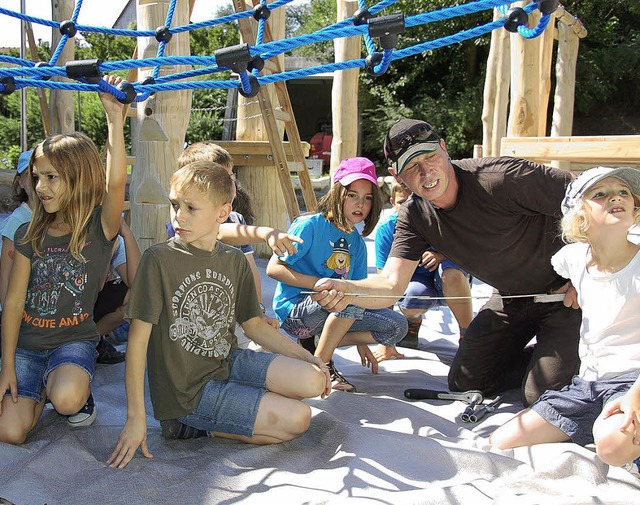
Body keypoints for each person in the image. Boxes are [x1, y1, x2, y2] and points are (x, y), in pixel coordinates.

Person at [313, 119, 581, 406]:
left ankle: (577, 359)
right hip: (510, 298)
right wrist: (347, 289)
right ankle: (548, 359)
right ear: (397, 175)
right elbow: (391, 284)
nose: (426, 171)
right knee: (464, 381)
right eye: (412, 166)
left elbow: (593, 199)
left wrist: (589, 273)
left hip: (567, 297)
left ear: (444, 148)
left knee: (541, 398)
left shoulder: (501, 178)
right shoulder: (414, 215)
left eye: (430, 157)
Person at [107, 161, 330, 469]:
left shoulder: (233, 260)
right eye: (174, 205)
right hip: (188, 394)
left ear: (222, 213)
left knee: (313, 380)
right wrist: (135, 418)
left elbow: (254, 326)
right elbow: (137, 342)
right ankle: (192, 425)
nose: (179, 216)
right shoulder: (158, 260)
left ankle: (244, 403)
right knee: (298, 419)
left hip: (228, 362)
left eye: (191, 208)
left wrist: (309, 358)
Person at [0, 74, 127, 444]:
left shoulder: (98, 229)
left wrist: (114, 121)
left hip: (72, 343)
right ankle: (36, 394)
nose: (40, 187)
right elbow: (12, 302)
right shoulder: (28, 234)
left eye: (51, 178)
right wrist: (7, 365)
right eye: (37, 177)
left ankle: (71, 392)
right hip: (27, 346)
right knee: (10, 432)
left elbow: (116, 184)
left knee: (68, 399)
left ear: (80, 178)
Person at [490, 166, 640, 474]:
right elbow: (569, 269)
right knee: (503, 439)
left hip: (634, 381)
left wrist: (636, 396)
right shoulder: (572, 258)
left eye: (624, 192)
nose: (617, 197)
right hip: (587, 385)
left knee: (611, 446)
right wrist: (574, 285)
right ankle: (601, 427)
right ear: (579, 215)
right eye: (601, 194)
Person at [267, 157, 407, 393]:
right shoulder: (310, 225)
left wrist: (362, 344)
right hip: (296, 312)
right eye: (352, 195)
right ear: (337, 193)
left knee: (397, 326)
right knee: (345, 296)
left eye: (367, 198)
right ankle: (321, 365)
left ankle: (313, 347)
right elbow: (273, 268)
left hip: (337, 309)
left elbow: (359, 292)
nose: (360, 204)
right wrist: (319, 284)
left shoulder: (359, 245)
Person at [168, 141, 303, 333]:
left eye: (230, 176)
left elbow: (250, 270)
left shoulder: (236, 218)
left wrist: (257, 313)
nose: (231, 184)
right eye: (221, 178)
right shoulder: (184, 223)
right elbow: (220, 232)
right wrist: (264, 233)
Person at [374, 181, 473, 353]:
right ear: (392, 202)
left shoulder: (442, 217)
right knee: (411, 299)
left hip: (450, 273)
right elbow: (385, 282)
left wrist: (442, 255)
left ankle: (468, 334)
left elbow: (469, 250)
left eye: (415, 201)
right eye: (402, 202)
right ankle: (413, 321)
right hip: (416, 279)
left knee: (452, 276)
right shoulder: (386, 229)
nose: (409, 208)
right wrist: (386, 341)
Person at [93, 220, 141, 363]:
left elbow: (138, 283)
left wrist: (126, 233)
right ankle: (83, 342)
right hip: (74, 303)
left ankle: (92, 341)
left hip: (94, 302)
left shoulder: (112, 233)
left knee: (137, 298)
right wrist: (107, 252)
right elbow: (95, 286)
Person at [0, 150, 36, 307]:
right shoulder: (16, 222)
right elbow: (5, 276)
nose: (37, 180)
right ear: (20, 182)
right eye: (30, 174)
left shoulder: (51, 217)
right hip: (18, 311)